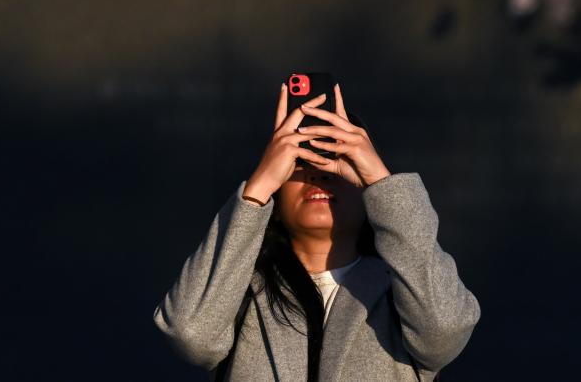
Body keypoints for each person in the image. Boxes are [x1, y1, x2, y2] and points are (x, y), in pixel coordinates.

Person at [152, 82, 480, 381]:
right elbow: (190, 332)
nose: (318, 173)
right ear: (276, 199)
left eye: (335, 157)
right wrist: (260, 186)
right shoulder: (239, 295)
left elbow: (444, 329)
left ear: (369, 197)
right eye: (300, 160)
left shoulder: (404, 294)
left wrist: (380, 180)